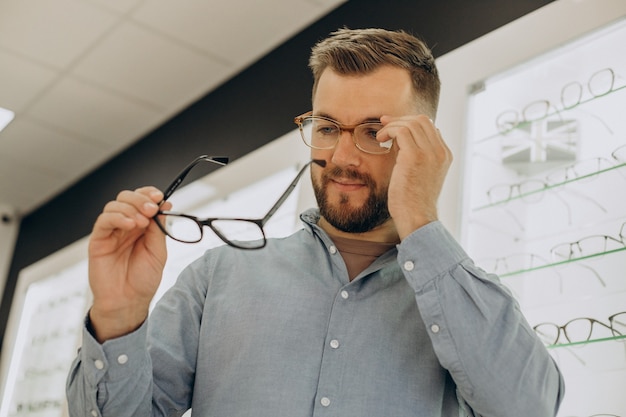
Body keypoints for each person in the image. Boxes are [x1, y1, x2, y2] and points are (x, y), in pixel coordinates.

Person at [66, 28, 564, 416]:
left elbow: (528, 408)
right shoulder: (217, 278)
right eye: (327, 127)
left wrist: (420, 219)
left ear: (424, 142)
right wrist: (119, 314)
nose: (342, 156)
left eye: (375, 130)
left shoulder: (463, 301)